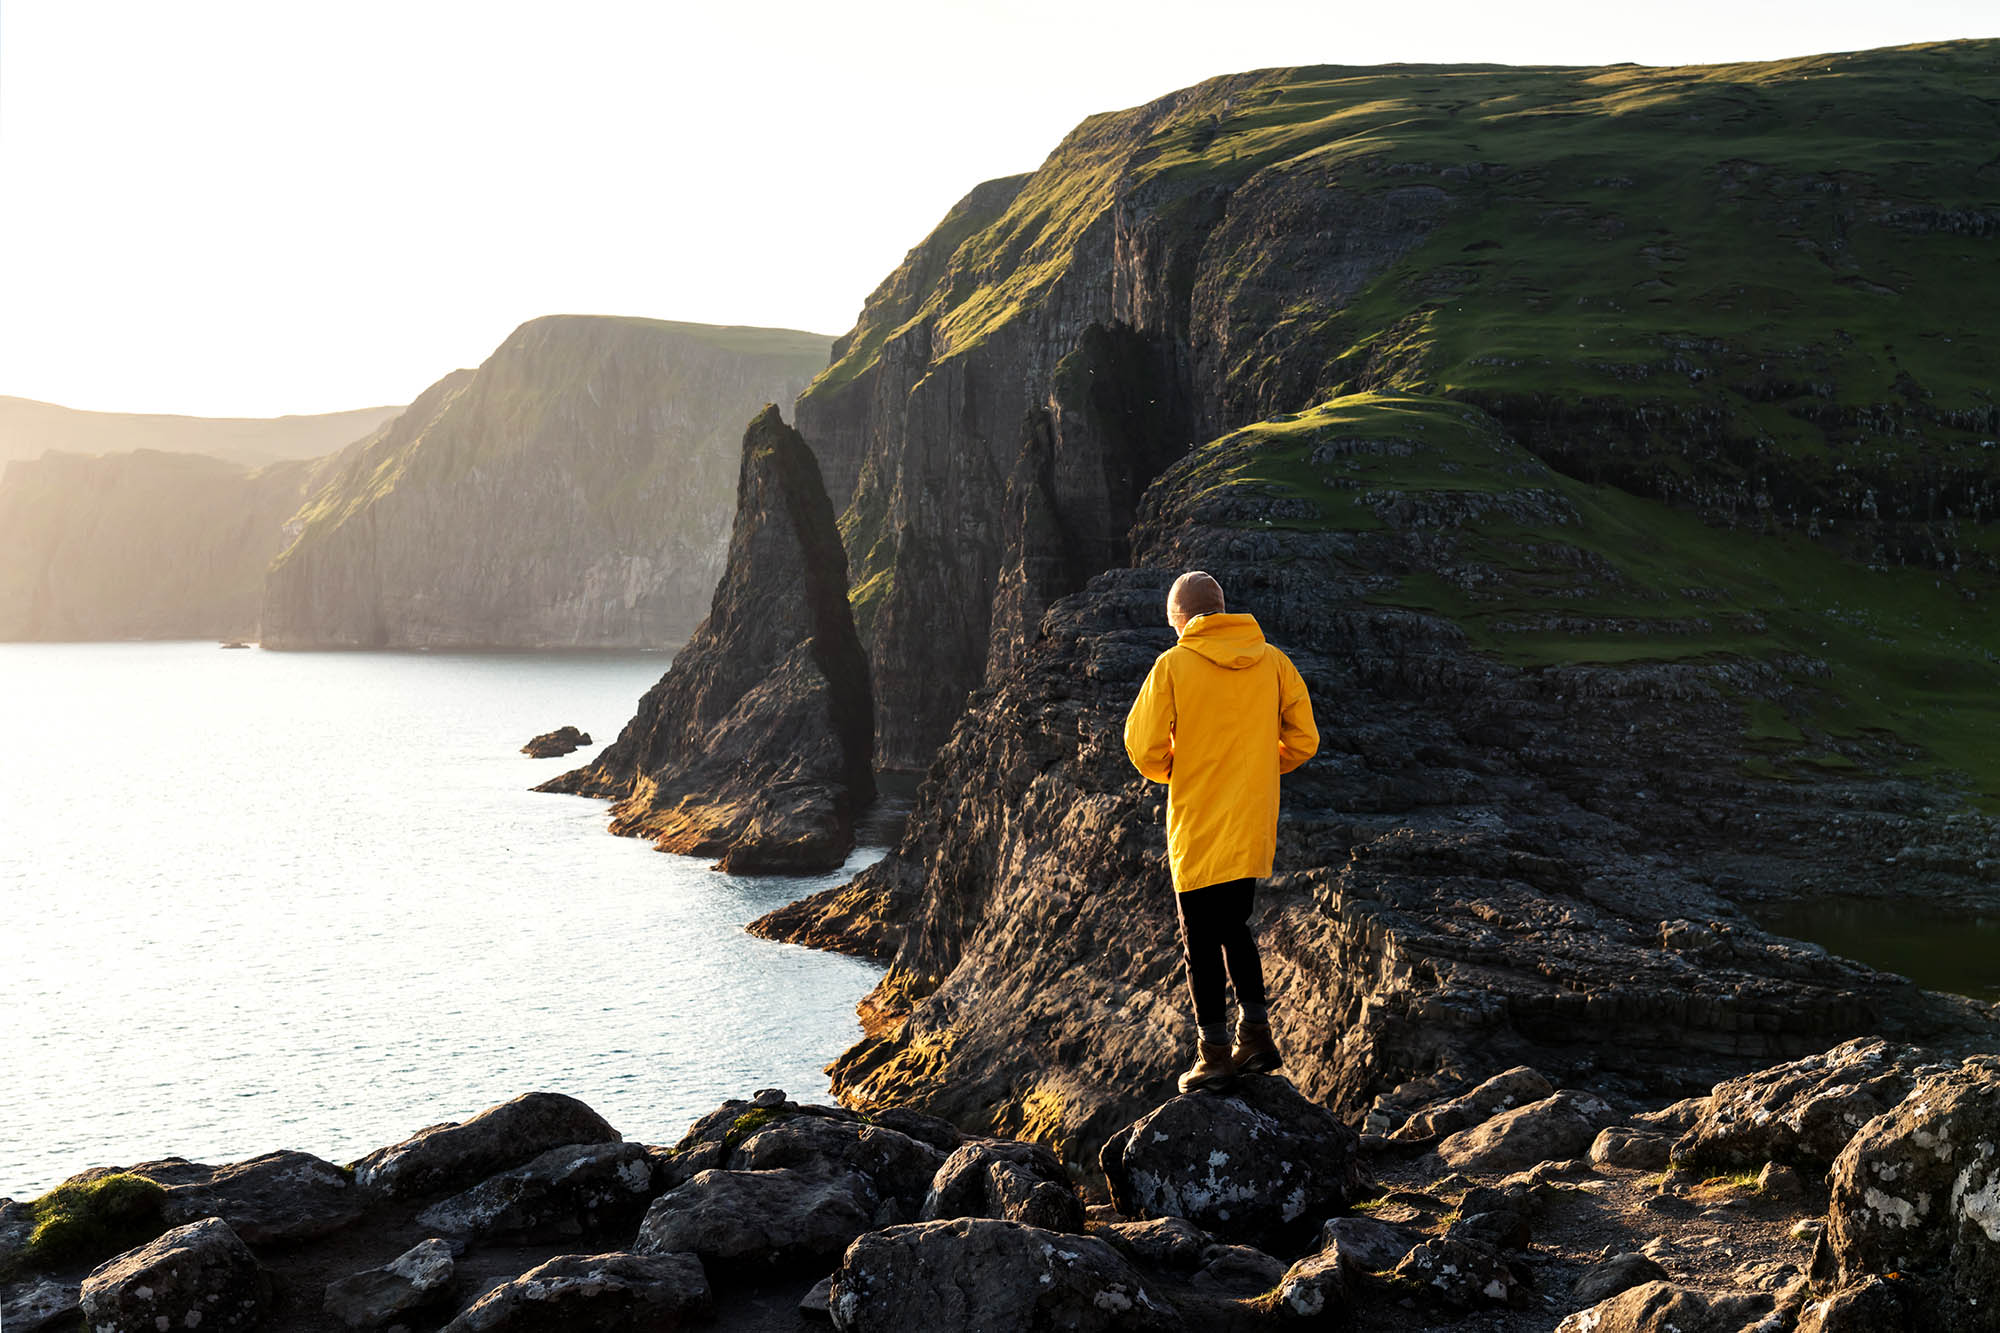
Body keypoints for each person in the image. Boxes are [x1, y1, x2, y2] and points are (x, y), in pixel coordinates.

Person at [1123, 570, 1319, 1094]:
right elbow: (1304, 740)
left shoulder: (1174, 665)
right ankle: (1255, 1034)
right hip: (1249, 818)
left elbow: (1142, 747)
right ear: (1223, 608)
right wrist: (1255, 766)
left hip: (1198, 820)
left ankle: (1212, 1054)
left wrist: (1177, 769)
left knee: (1198, 939)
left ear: (1181, 619)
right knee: (1235, 926)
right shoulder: (1273, 661)